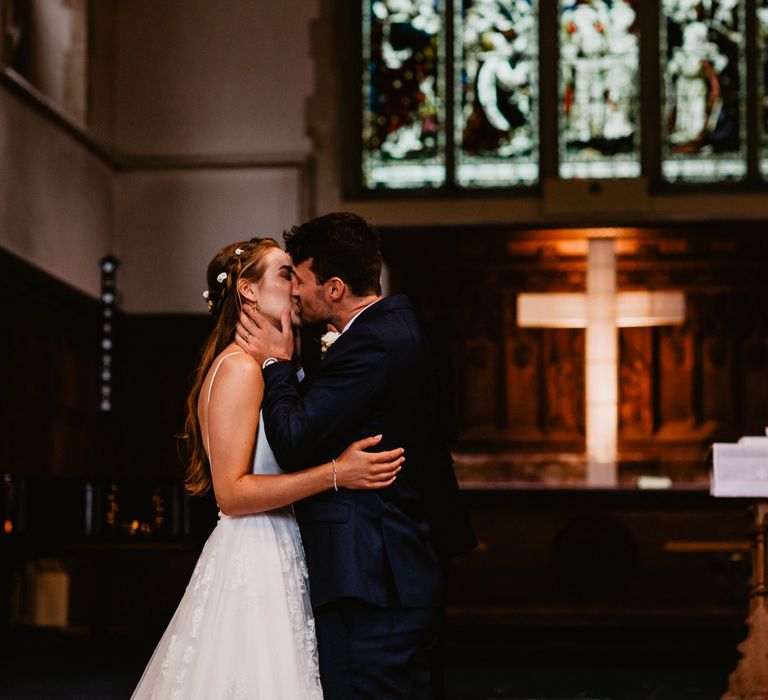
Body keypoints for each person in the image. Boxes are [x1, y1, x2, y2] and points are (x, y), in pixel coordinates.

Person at [131, 238, 405, 700]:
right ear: (247, 291)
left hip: (283, 546)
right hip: (252, 555)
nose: (296, 286)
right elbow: (232, 495)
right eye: (284, 274)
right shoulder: (238, 368)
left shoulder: (273, 368)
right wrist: (336, 472)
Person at [236, 212, 475, 699]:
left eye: (300, 279)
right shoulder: (394, 328)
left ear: (336, 287)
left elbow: (295, 440)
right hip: (391, 566)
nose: (296, 292)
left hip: (367, 575)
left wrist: (276, 365)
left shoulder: (372, 343)